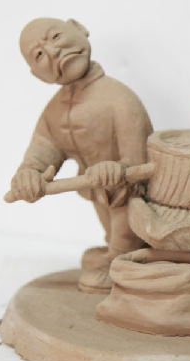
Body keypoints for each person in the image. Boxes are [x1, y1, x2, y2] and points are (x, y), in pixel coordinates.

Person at [10, 18, 153, 292]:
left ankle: (122, 260)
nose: (53, 52)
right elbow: (44, 146)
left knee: (126, 217)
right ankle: (118, 253)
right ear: (37, 75)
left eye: (55, 37)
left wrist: (119, 169)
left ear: (79, 28)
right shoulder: (54, 110)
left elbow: (140, 161)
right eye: (39, 55)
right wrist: (29, 173)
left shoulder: (120, 98)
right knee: (110, 226)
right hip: (97, 191)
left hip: (128, 193)